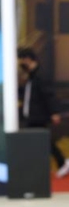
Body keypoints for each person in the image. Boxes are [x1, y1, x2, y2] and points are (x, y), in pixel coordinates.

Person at [17, 47, 69, 178]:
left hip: (38, 116)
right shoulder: (31, 77)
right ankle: (59, 163)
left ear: (28, 59)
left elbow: (49, 95)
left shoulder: (41, 76)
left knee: (43, 141)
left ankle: (62, 162)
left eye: (22, 60)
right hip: (32, 116)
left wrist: (55, 112)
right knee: (43, 141)